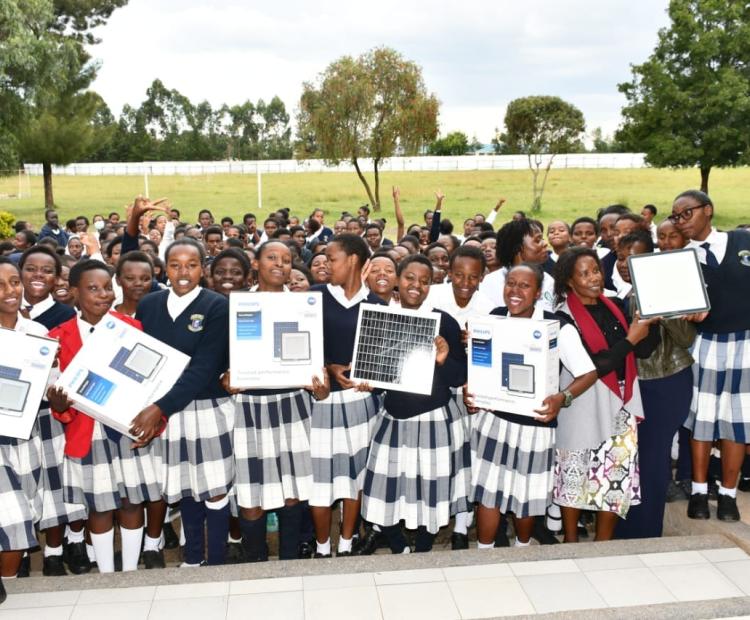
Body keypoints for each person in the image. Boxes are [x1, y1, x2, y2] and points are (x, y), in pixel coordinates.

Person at [128, 201, 233, 567]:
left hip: (205, 409)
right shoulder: (150, 305)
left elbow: (203, 369)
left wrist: (158, 409)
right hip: (166, 411)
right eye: (175, 265)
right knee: (185, 486)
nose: (183, 272)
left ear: (203, 269)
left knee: (216, 488)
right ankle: (192, 558)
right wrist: (150, 406)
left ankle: (216, 558)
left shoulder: (217, 305)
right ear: (164, 268)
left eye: (191, 265)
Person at [46, 260, 163, 573]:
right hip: (88, 432)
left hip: (126, 426)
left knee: (132, 502)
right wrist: (59, 407)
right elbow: (57, 394)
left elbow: (150, 383)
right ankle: (107, 574)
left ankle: (129, 570)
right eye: (92, 288)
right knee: (99, 506)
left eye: (107, 287)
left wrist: (154, 423)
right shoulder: (58, 337)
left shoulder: (132, 328)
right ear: (73, 292)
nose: (102, 294)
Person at [469, 263, 597, 549]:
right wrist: (472, 390)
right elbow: (483, 367)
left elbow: (588, 373)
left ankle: (522, 551)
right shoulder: (495, 317)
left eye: (524, 286)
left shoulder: (558, 327)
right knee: (489, 494)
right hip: (494, 420)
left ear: (538, 293)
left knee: (526, 498)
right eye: (510, 284)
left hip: (534, 425)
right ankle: (482, 555)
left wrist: (562, 398)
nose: (515, 291)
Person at [228, 241, 329, 562]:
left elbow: (317, 365)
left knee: (293, 492)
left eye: (286, 260)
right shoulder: (236, 305)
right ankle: (255, 559)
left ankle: (290, 561)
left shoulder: (305, 306)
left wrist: (321, 387)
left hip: (293, 406)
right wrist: (224, 380)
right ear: (255, 263)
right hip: (248, 409)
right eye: (271, 257)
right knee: (250, 493)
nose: (280, 264)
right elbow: (222, 363)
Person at [552, 247, 659, 542]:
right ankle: (571, 541)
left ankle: (603, 545)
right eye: (584, 274)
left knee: (615, 475)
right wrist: (630, 338)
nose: (594, 278)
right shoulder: (563, 317)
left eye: (596, 271)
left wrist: (651, 323)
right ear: (569, 282)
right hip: (582, 399)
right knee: (575, 471)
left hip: (621, 399)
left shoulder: (614, 305)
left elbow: (643, 350)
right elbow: (594, 366)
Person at [361, 254, 467, 553]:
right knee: (384, 485)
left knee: (431, 490)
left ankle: (422, 550)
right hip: (393, 417)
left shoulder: (443, 321)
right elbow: (373, 369)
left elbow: (459, 376)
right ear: (396, 279)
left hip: (434, 419)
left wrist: (443, 360)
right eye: (409, 278)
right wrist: (367, 380)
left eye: (425, 281)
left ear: (431, 286)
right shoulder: (379, 316)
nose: (416, 286)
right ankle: (397, 545)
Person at [670, 190, 750, 521]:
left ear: (708, 210)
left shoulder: (744, 240)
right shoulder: (677, 260)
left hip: (745, 344)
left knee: (737, 423)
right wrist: (682, 312)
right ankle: (700, 492)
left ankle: (728, 496)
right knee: (702, 421)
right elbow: (667, 310)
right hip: (703, 344)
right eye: (675, 216)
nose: (680, 221)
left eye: (685, 213)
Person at [612, 233, 696, 539]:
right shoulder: (626, 292)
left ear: (648, 260)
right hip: (640, 385)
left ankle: (644, 532)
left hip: (667, 382)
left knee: (652, 457)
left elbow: (687, 339)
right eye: (619, 257)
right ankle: (632, 527)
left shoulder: (664, 289)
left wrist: (660, 310)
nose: (622, 264)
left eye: (630, 258)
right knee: (640, 457)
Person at [308, 234, 384, 558]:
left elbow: (386, 361)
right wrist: (327, 366)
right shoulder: (312, 298)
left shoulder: (378, 305)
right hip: (320, 402)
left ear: (353, 260)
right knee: (320, 480)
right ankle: (323, 547)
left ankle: (349, 542)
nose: (326, 264)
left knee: (357, 476)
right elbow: (296, 348)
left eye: (332, 258)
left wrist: (374, 381)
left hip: (360, 403)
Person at [18, 247, 87, 576]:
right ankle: (16, 549)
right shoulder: (9, 311)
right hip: (14, 417)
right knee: (23, 484)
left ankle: (59, 550)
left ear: (58, 278)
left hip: (51, 412)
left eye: (46, 270)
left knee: (56, 482)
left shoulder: (64, 316)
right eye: (30, 268)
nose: (37, 276)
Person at [0, 258, 48, 601]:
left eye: (14, 282)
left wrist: (56, 393)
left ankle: (10, 587)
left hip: (25, 436)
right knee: (14, 519)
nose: (10, 291)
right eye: (0, 285)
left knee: (26, 515)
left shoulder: (37, 334)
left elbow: (48, 390)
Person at [479, 219, 555, 311]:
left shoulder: (549, 281)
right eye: (538, 240)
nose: (545, 243)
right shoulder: (492, 282)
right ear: (519, 248)